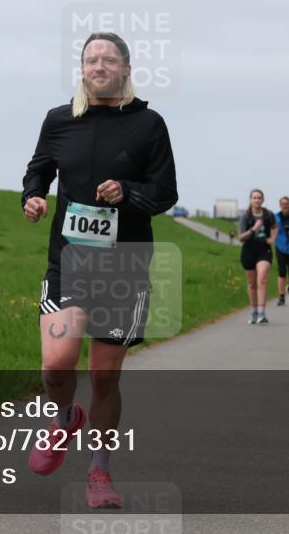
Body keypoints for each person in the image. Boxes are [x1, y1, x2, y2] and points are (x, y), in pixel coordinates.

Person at [22, 32, 178, 509]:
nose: (99, 65)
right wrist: (32, 195)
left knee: (105, 376)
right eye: (91, 58)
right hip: (69, 261)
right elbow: (39, 168)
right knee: (56, 363)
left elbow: (165, 192)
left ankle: (99, 472)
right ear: (82, 68)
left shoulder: (148, 124)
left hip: (124, 265)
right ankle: (65, 417)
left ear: (126, 69)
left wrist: (127, 193)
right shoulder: (60, 120)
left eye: (109, 59)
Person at [238, 189, 278, 324]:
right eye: (254, 198)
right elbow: (241, 238)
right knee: (251, 283)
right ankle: (253, 311)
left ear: (263, 200)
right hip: (248, 251)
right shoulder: (246, 216)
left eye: (259, 198)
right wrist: (254, 228)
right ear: (250, 199)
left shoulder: (268, 215)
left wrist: (272, 238)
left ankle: (262, 313)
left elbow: (275, 227)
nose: (257, 200)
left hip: (264, 251)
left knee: (261, 278)